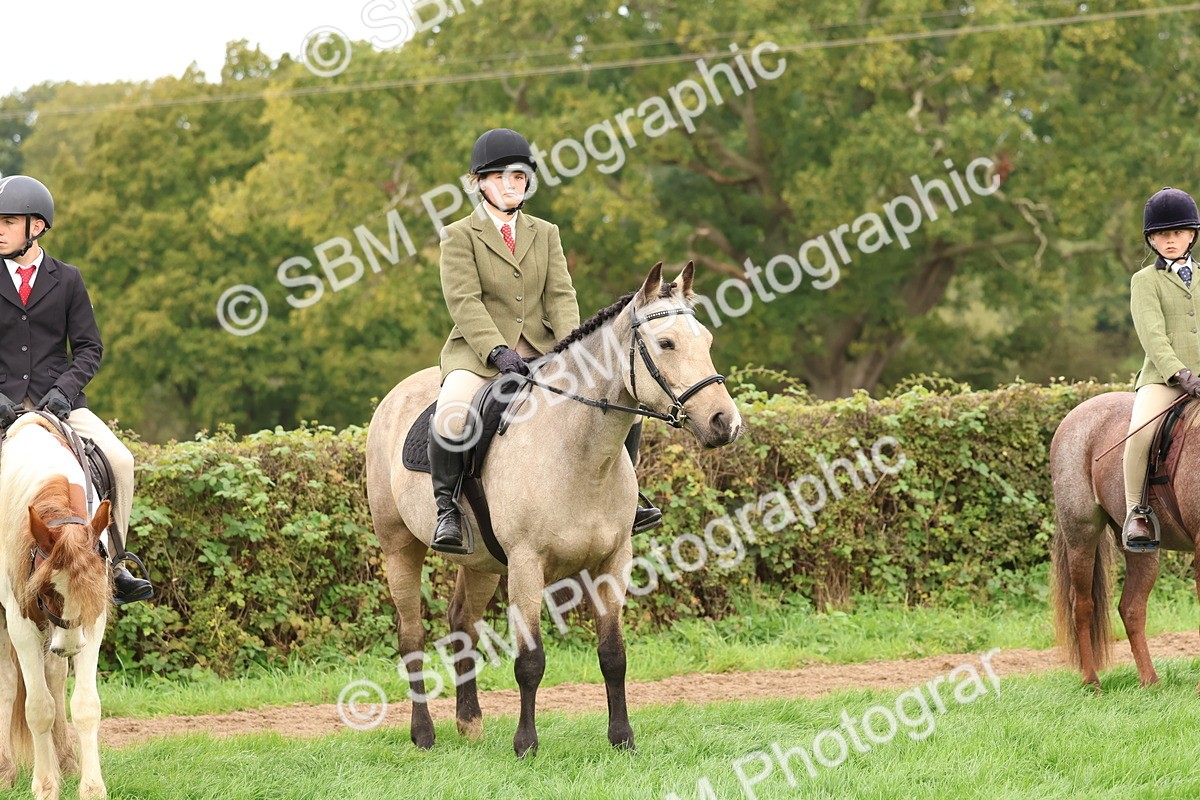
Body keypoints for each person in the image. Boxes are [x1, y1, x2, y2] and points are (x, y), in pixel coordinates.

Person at [428, 128, 662, 554]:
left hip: (545, 350)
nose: (511, 185)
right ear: (479, 182)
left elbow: (560, 294)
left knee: (630, 405)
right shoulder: (459, 235)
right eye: (500, 177)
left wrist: (575, 347)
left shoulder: (545, 231)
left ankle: (630, 499)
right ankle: (447, 508)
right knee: (453, 411)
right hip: (479, 354)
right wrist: (496, 349)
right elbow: (463, 301)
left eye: (519, 177)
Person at [0, 175, 153, 603]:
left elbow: (89, 347)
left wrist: (65, 392)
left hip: (60, 405)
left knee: (120, 462)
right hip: (3, 406)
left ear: (37, 226)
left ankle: (117, 564)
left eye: (8, 221)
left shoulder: (66, 279)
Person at [1123, 186, 1200, 547]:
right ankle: (1136, 512)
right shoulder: (1145, 281)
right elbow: (1152, 336)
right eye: (1162, 234)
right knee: (1139, 434)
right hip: (1165, 379)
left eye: (1177, 233)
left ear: (1191, 236)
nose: (1170, 240)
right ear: (1151, 239)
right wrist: (1182, 374)